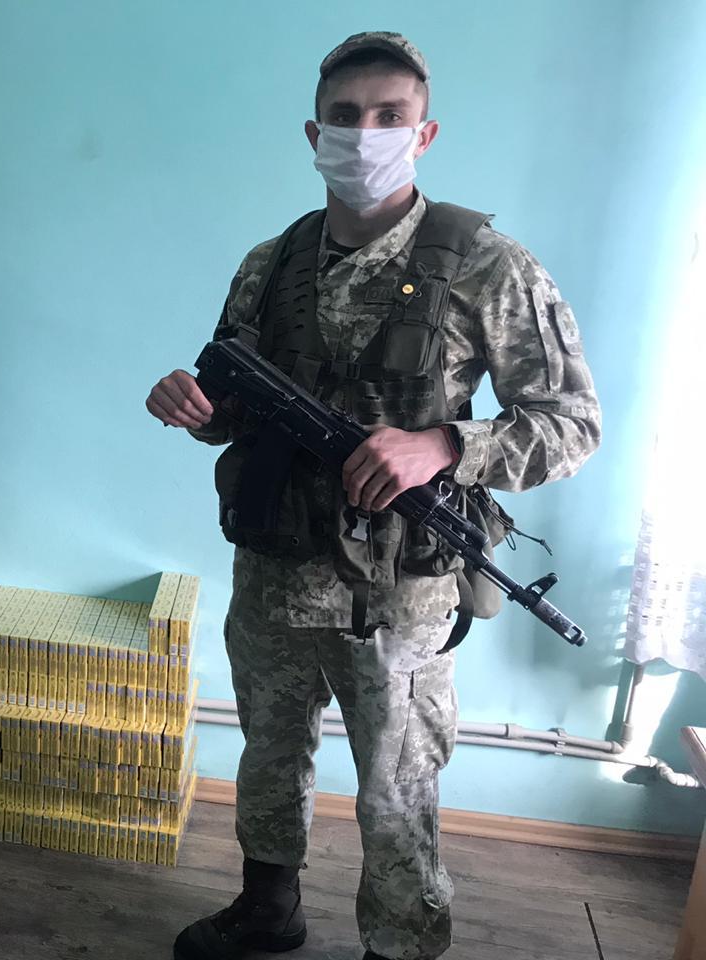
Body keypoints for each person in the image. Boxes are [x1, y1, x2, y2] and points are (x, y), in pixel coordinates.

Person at [146, 31, 601, 960]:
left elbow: (571, 424)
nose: (365, 134)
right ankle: (268, 909)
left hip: (397, 596)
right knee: (269, 755)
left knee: (397, 789)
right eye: (345, 117)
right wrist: (195, 409)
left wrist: (445, 444)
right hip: (274, 572)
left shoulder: (487, 265)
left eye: (389, 116)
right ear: (314, 133)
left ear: (423, 134)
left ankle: (401, 946)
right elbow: (235, 409)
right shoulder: (270, 264)